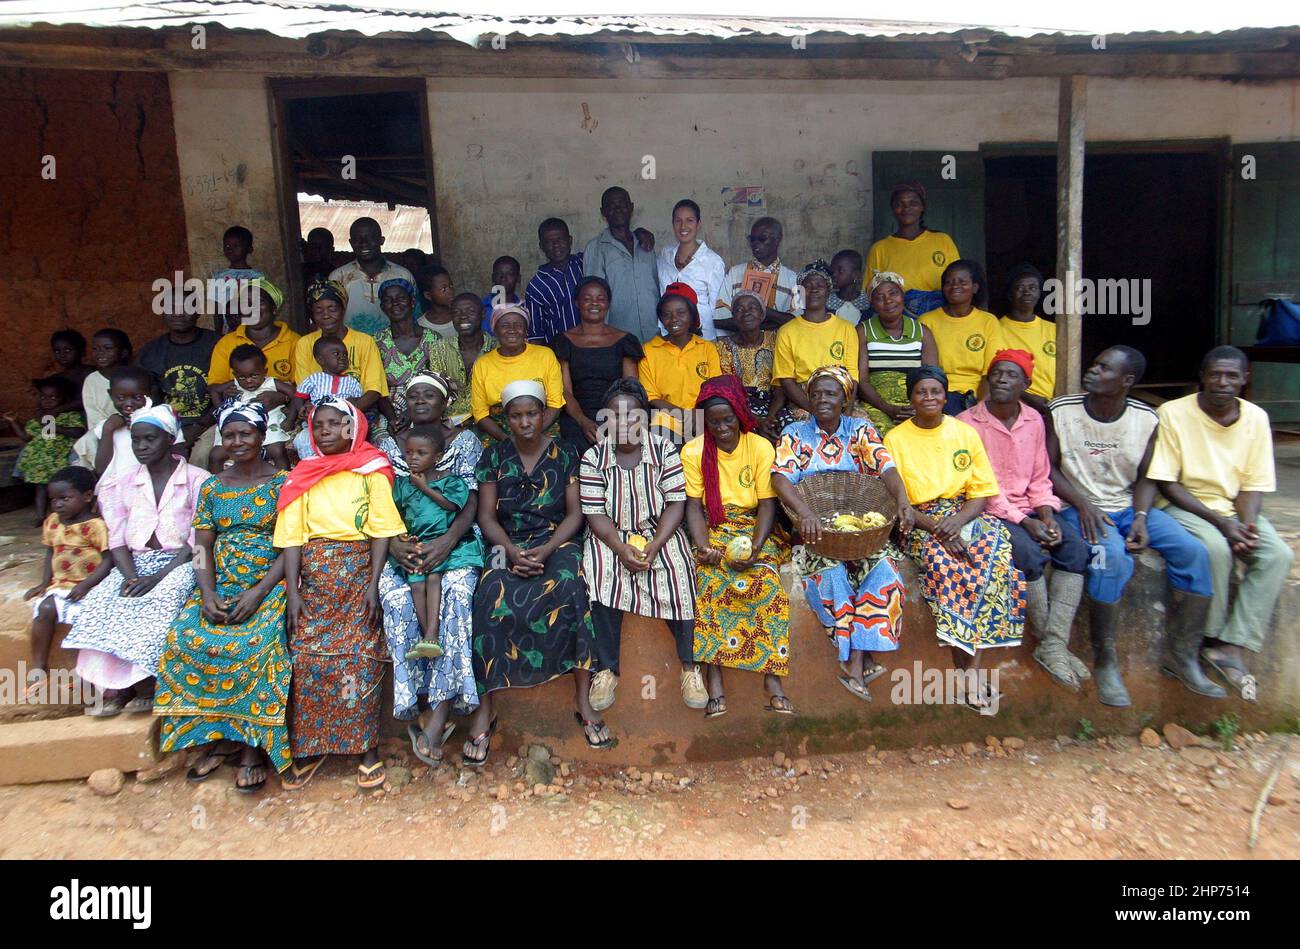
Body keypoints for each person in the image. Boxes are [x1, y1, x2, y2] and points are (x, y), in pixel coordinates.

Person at [1048, 346, 1219, 706]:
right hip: (1075, 506)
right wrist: (1082, 504)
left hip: (1128, 506)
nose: (1093, 371)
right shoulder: (1062, 411)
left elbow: (1148, 476)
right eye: (1094, 364)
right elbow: (1048, 468)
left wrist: (1141, 517)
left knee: (1193, 552)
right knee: (1112, 558)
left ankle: (1182, 654)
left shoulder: (1145, 419)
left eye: (1104, 368)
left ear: (1126, 380)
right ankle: (1106, 661)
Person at [154, 402, 291, 792]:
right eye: (229, 435)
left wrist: (259, 592)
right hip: (221, 583)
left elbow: (292, 545)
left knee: (256, 646)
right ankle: (218, 738)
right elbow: (201, 546)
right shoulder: (212, 486)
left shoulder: (284, 483)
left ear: (262, 437)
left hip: (269, 584)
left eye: (245, 434)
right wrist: (207, 591)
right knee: (186, 639)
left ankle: (252, 747)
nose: (236, 442)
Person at [466, 380, 604, 764]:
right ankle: (485, 707)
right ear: (505, 418)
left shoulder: (566, 451)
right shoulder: (493, 455)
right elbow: (486, 517)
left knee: (572, 586)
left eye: (532, 414)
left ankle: (582, 698)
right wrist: (510, 552)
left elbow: (575, 513)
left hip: (555, 540)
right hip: (504, 543)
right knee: (488, 595)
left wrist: (545, 549)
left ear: (544, 415)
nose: (525, 421)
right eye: (516, 415)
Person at [272, 397, 406, 790]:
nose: (326, 431)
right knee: (307, 656)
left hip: (359, 570)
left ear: (355, 428)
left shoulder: (371, 470)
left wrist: (373, 584)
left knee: (360, 655)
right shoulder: (303, 474)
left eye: (335, 424)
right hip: (313, 575)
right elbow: (293, 536)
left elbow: (381, 529)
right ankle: (312, 745)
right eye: (319, 426)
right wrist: (294, 591)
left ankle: (365, 747)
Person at [1146, 346, 1293, 702]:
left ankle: (1232, 644)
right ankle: (1208, 637)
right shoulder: (1173, 413)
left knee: (1277, 555)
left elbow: (1252, 484)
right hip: (1184, 504)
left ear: (1245, 379)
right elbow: (1166, 481)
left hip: (1232, 507)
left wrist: (1246, 525)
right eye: (1215, 374)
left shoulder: (1256, 418)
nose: (1222, 383)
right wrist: (1223, 525)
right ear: (1202, 376)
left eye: (1231, 376)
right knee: (1213, 548)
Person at [884, 367, 1025, 711]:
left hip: (965, 515)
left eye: (935, 392)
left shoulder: (965, 433)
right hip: (918, 522)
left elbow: (981, 493)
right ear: (911, 397)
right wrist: (937, 529)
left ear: (946, 397)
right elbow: (896, 501)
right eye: (921, 392)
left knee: (993, 560)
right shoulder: (895, 439)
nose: (929, 398)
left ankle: (969, 675)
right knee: (946, 567)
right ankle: (969, 680)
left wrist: (957, 523)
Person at [772, 366, 914, 701]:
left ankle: (860, 656)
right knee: (830, 575)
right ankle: (855, 661)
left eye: (831, 393)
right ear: (808, 398)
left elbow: (886, 466)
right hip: (814, 529)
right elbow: (780, 478)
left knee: (885, 571)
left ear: (845, 399)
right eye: (817, 393)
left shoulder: (860, 429)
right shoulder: (795, 432)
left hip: (860, 527)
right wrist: (805, 513)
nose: (822, 399)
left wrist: (904, 500)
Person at [61, 405, 208, 716]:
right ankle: (117, 688)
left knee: (161, 601)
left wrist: (157, 578)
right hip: (134, 562)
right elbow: (117, 538)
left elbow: (197, 541)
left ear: (170, 439)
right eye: (136, 440)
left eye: (150, 439)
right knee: (104, 599)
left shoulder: (198, 480)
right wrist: (129, 576)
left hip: (179, 563)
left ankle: (146, 684)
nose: (141, 447)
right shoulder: (123, 484)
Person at [959, 349, 1090, 692]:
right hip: (987, 510)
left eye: (1011, 375)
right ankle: (1054, 646)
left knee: (1075, 550)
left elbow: (1040, 476)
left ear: (1026, 383)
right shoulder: (966, 424)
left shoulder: (1034, 420)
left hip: (1030, 506)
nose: (1001, 379)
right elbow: (980, 485)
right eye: (996, 374)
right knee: (1029, 557)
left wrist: (1045, 513)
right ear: (986, 381)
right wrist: (1024, 521)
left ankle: (1053, 644)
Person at [580, 379, 707, 711]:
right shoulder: (593, 457)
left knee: (679, 569)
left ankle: (690, 668)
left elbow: (676, 504)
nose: (625, 424)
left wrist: (654, 545)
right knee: (600, 571)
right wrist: (621, 549)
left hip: (659, 531)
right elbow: (594, 513)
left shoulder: (664, 450)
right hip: (611, 534)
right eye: (616, 417)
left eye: (633, 416)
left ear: (645, 419)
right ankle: (607, 670)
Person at [378, 375, 483, 764]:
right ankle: (415, 698)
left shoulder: (465, 441)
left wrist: (447, 541)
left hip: (453, 540)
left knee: (455, 594)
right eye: (412, 396)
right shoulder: (388, 445)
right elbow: (381, 501)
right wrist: (393, 543)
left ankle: (439, 711)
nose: (420, 401)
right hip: (404, 541)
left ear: (446, 402)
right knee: (395, 595)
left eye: (430, 395)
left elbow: (471, 500)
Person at [681, 375, 793, 716]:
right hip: (713, 524)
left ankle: (772, 679)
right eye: (714, 422)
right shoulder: (694, 451)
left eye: (728, 419)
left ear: (740, 415)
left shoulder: (759, 447)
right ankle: (715, 679)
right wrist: (703, 547)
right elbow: (693, 507)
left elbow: (767, 505)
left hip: (752, 527)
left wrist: (756, 550)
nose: (722, 427)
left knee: (768, 584)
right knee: (710, 582)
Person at [390, 424, 483, 661]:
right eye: (409, 453)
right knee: (416, 583)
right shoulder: (401, 485)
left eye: (421, 453)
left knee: (433, 578)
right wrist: (401, 537)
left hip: (442, 542)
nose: (413, 458)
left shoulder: (450, 481)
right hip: (418, 543)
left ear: (438, 457)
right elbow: (395, 513)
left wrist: (425, 488)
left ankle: (432, 631)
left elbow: (451, 506)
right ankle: (427, 638)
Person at [22, 466, 109, 702]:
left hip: (90, 586)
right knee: (45, 609)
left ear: (87, 497)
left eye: (65, 498)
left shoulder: (95, 526)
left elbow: (108, 559)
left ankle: (84, 673)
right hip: (61, 584)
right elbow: (50, 552)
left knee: (86, 619)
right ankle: (39, 667)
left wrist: (87, 585)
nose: (58, 505)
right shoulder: (52, 522)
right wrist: (44, 583)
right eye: (53, 500)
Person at [553, 276, 644, 452]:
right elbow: (565, 391)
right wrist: (583, 421)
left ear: (608, 304)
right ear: (577, 303)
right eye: (587, 299)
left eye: (600, 299)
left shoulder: (625, 340)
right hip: (576, 414)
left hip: (617, 412)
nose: (594, 304)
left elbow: (630, 389)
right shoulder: (563, 341)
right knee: (575, 442)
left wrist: (614, 421)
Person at [772, 260, 867, 421]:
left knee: (864, 433)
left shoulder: (846, 329)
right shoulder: (786, 331)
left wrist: (847, 411)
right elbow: (787, 380)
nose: (813, 290)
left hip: (841, 398)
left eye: (820, 285)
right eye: (807, 286)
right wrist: (815, 410)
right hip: (804, 400)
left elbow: (852, 375)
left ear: (828, 291)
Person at [469, 302, 565, 444]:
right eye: (505, 326)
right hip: (500, 429)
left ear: (526, 331)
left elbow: (555, 404)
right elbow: (480, 413)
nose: (512, 330)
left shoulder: (545, 355)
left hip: (541, 424)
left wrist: (534, 434)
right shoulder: (483, 364)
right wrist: (507, 440)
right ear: (495, 330)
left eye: (518, 325)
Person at [640, 283, 722, 444]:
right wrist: (683, 415)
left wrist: (696, 415)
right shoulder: (648, 351)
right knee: (664, 449)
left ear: (692, 315)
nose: (674, 319)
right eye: (667, 314)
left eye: (681, 313)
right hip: (667, 417)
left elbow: (715, 390)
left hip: (703, 415)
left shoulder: (707, 349)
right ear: (661, 319)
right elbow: (652, 396)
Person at [859, 272, 938, 435]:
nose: (888, 301)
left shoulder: (922, 332)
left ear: (903, 295)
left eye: (893, 293)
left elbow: (932, 377)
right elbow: (862, 381)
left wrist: (918, 406)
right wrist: (888, 408)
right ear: (872, 304)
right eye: (879, 297)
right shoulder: (863, 331)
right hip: (876, 404)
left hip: (916, 402)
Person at [864, 181, 959, 317]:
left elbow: (957, 281)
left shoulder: (942, 241)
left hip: (940, 315)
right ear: (893, 208)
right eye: (899, 204)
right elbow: (871, 293)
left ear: (923, 207)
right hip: (898, 319)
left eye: (913, 203)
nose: (906, 208)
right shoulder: (879, 249)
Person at [293, 280, 388, 416]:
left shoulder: (364, 341)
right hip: (317, 416)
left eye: (332, 309)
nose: (326, 315)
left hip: (356, 412)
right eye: (318, 311)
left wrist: (345, 412)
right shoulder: (305, 343)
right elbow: (303, 391)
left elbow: (374, 390)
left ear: (343, 309)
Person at [920, 259, 1002, 415]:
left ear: (975, 287)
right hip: (938, 393)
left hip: (976, 394)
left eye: (962, 282)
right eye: (949, 282)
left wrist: (981, 408)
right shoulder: (926, 321)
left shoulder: (988, 321)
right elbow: (925, 372)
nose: (955, 286)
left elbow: (990, 372)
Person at [583, 186, 661, 343]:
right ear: (603, 211)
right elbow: (593, 299)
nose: (617, 209)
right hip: (618, 339)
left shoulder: (646, 244)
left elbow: (657, 287)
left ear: (631, 207)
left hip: (655, 337)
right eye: (611, 205)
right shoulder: (596, 247)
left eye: (622, 204)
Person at [82, 366, 186, 480]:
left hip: (154, 488)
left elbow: (180, 460)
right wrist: (108, 430)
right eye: (121, 398)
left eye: (137, 397)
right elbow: (102, 470)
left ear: (150, 394)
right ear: (110, 394)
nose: (128, 404)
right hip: (116, 491)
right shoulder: (107, 426)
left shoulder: (164, 422)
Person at [137, 307, 219, 449]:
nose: (178, 313)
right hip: (164, 423)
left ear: (198, 311)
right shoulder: (151, 351)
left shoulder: (218, 344)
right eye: (172, 307)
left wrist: (199, 426)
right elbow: (147, 398)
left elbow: (227, 393)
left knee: (202, 454)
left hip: (211, 422)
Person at [7, 376, 86, 524]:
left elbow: (79, 432)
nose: (47, 400)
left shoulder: (69, 416)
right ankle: (40, 517)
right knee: (41, 489)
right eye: (43, 397)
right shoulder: (39, 419)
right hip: (40, 463)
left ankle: (62, 516)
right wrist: (14, 422)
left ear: (64, 399)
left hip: (58, 460)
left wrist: (58, 428)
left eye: (53, 397)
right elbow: (26, 437)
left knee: (61, 491)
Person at [713, 291, 789, 437]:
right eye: (739, 310)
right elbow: (729, 391)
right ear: (734, 318)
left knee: (787, 428)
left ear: (762, 315)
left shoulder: (776, 339)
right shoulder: (723, 346)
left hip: (776, 402)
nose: (746, 313)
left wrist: (769, 418)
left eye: (752, 307)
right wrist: (756, 420)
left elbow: (780, 387)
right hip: (740, 405)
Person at [208, 345, 293, 471]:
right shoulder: (235, 385)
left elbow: (296, 394)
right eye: (242, 377)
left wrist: (290, 417)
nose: (248, 381)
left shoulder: (271, 383)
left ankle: (284, 483)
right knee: (215, 455)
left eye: (254, 376)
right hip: (235, 427)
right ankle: (217, 488)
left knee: (277, 451)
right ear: (235, 374)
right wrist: (222, 410)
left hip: (267, 425)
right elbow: (214, 390)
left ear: (264, 371)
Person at [207, 276, 299, 390]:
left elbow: (304, 386)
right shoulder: (226, 343)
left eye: (259, 301)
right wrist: (226, 393)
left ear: (274, 308)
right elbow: (214, 386)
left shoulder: (294, 342)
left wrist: (283, 398)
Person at [329, 217, 416, 337]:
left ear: (381, 240)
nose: (363, 243)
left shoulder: (403, 276)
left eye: (370, 238)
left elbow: (415, 316)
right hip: (351, 350)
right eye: (357, 239)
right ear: (350, 242)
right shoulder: (338, 277)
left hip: (393, 349)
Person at [373, 277, 439, 431]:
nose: (395, 303)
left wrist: (411, 413)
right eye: (388, 300)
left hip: (427, 406)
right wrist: (393, 419)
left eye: (401, 298)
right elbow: (376, 387)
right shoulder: (376, 342)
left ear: (413, 302)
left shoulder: (433, 339)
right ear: (383, 307)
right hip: (387, 410)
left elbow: (439, 382)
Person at [657, 199, 727, 340]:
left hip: (703, 336)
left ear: (698, 224)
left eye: (689, 220)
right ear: (673, 224)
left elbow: (717, 306)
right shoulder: (665, 255)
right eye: (678, 221)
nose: (683, 226)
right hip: (669, 334)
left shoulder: (713, 262)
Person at [714, 217, 798, 334]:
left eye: (762, 239)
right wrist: (773, 319)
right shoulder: (735, 273)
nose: (755, 244)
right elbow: (721, 318)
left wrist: (763, 311)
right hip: (740, 347)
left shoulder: (794, 279)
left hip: (780, 347)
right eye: (752, 239)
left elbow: (799, 321)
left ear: (778, 239)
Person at [291, 338, 365, 461]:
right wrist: (302, 409)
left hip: (342, 424)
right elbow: (299, 397)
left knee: (350, 440)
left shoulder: (352, 382)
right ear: (321, 360)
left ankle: (346, 461)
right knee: (303, 439)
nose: (342, 357)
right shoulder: (313, 379)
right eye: (336, 354)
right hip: (315, 423)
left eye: (345, 355)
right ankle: (312, 464)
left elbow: (355, 405)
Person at [428, 293, 498, 423]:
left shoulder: (497, 348)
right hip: (448, 424)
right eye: (456, 312)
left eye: (470, 311)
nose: (463, 316)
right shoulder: (439, 348)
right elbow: (436, 389)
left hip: (490, 422)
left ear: (482, 314)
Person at [998, 264, 1056, 411]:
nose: (1027, 293)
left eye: (1033, 288)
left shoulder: (1054, 330)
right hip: (1015, 406)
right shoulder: (996, 329)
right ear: (1010, 294)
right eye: (1020, 288)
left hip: (1054, 405)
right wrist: (1028, 397)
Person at [526, 218, 586, 343]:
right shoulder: (537, 285)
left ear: (570, 240)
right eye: (549, 241)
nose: (556, 245)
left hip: (592, 347)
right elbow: (536, 334)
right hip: (559, 353)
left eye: (560, 239)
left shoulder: (584, 263)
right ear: (541, 246)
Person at [209, 225, 265, 334]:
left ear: (249, 249)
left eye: (236, 246)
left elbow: (261, 306)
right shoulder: (218, 277)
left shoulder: (258, 276)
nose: (230, 250)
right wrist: (218, 334)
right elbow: (217, 310)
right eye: (227, 246)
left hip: (253, 329)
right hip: (228, 331)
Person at [81, 329, 133, 432]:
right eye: (95, 348)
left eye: (108, 348)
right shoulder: (91, 381)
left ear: (123, 353)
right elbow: (94, 416)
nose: (100, 353)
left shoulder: (135, 378)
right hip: (104, 433)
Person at [827, 250, 870, 327]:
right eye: (832, 270)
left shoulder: (868, 301)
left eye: (840, 271)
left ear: (857, 275)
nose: (834, 274)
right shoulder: (827, 301)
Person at [482, 255, 523, 334]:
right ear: (493, 277)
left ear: (518, 278)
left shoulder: (524, 309)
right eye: (499, 274)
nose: (503, 278)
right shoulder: (481, 309)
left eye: (509, 274)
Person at [414, 264, 457, 339]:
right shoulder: (421, 326)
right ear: (428, 295)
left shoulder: (462, 317)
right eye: (443, 289)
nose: (450, 291)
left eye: (451, 286)